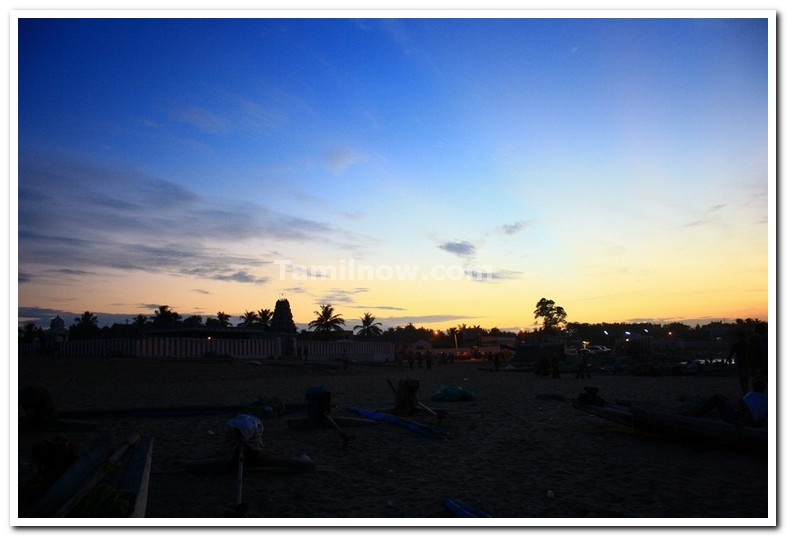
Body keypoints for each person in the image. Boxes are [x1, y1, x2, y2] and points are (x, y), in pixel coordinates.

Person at [686, 376, 767, 427]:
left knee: (716, 398)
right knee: (722, 399)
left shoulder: (754, 395)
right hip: (745, 417)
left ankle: (695, 416)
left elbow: (744, 407)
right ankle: (694, 413)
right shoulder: (766, 398)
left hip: (741, 419)